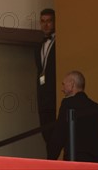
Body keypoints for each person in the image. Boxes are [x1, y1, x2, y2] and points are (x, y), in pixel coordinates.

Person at [48, 71, 98, 162]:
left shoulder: (67, 104)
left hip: (74, 162)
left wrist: (50, 160)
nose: (62, 89)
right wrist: (93, 154)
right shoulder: (97, 108)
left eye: (64, 84)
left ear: (72, 84)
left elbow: (59, 135)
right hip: (94, 163)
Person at [35, 8, 56, 155]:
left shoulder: (60, 43)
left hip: (55, 93)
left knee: (56, 131)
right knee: (45, 130)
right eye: (43, 21)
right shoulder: (38, 46)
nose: (46, 25)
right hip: (43, 96)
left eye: (49, 21)